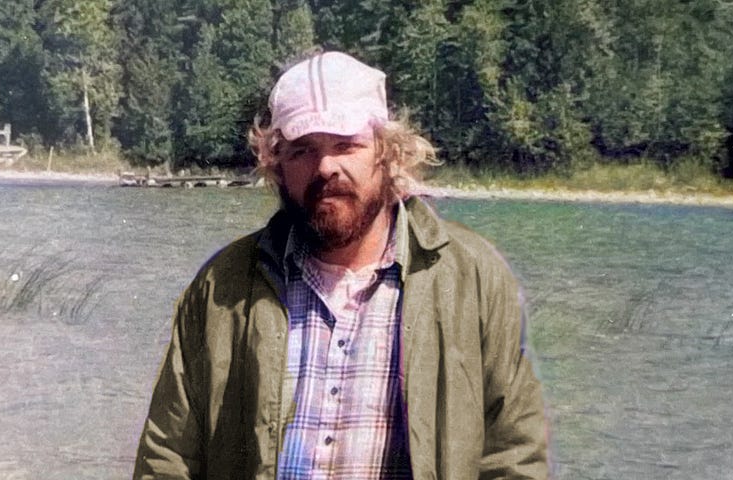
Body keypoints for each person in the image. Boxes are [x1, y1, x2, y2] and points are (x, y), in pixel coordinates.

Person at [134, 51, 549, 480]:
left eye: (345, 145)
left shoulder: (473, 278)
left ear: (387, 153)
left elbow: (513, 455)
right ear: (276, 163)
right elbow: (168, 457)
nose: (325, 166)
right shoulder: (223, 287)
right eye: (303, 150)